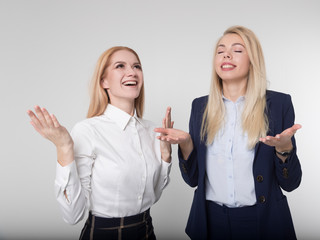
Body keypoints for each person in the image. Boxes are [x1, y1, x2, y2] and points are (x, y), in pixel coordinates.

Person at [155, 26, 302, 240]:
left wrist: (284, 149)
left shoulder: (278, 104)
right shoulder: (200, 107)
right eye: (220, 50)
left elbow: (291, 184)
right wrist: (186, 144)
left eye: (237, 50)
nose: (226, 54)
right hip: (211, 222)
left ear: (253, 60)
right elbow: (193, 179)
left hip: (263, 222)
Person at [27, 46, 173, 240]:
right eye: (120, 66)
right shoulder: (88, 131)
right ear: (104, 81)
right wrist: (64, 148)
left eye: (137, 66)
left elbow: (153, 196)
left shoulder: (153, 130)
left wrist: (166, 158)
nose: (132, 72)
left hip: (146, 231)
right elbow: (73, 215)